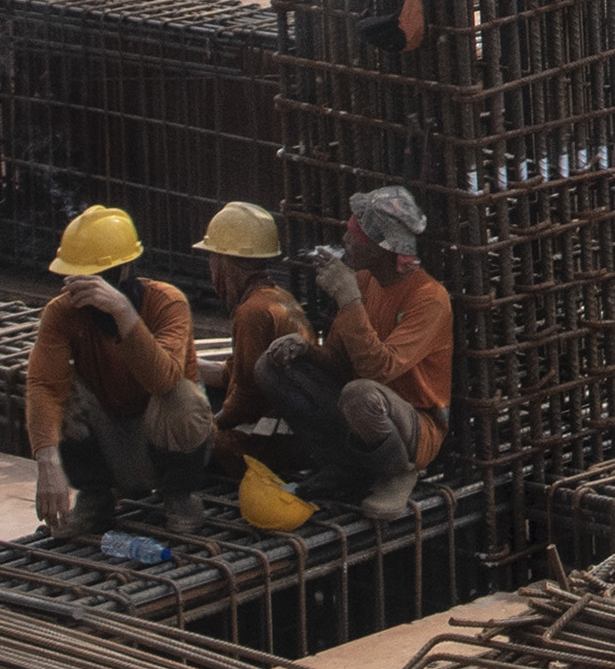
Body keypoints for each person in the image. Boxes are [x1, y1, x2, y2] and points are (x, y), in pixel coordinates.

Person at [257, 186, 450, 522]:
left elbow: (379, 370)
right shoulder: (364, 280)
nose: (346, 237)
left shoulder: (429, 298)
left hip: (413, 426)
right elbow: (339, 361)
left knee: (360, 394)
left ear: (382, 247)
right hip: (362, 409)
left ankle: (397, 474)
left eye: (355, 233)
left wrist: (349, 301)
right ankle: (343, 467)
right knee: (270, 367)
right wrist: (304, 350)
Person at [24, 206, 215, 538]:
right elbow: (42, 384)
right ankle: (96, 498)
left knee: (182, 397)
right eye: (75, 277)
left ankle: (181, 496)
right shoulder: (62, 314)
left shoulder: (167, 303)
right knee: (61, 394)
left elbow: (163, 379)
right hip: (113, 443)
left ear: (125, 270)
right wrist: (47, 461)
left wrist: (123, 312)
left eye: (95, 278)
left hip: (162, 444)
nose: (82, 291)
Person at [191, 201, 315, 478]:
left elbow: (247, 397)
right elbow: (238, 373)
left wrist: (211, 426)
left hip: (272, 443)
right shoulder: (278, 298)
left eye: (212, 258)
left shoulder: (252, 312)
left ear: (225, 262)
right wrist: (190, 364)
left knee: (178, 441)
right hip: (298, 432)